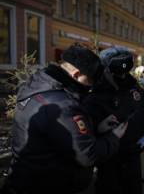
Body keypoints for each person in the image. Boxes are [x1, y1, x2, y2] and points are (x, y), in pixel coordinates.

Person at [3, 45, 128, 194]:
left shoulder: (40, 88)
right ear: (75, 75)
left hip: (26, 181)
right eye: (89, 81)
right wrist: (114, 137)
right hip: (47, 186)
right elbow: (87, 155)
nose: (90, 86)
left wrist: (96, 128)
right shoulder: (64, 104)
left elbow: (57, 134)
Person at [83, 47, 144, 194]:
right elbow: (89, 133)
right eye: (117, 74)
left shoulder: (134, 89)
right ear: (105, 71)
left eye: (125, 73)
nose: (122, 77)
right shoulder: (93, 97)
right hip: (109, 167)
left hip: (134, 161)